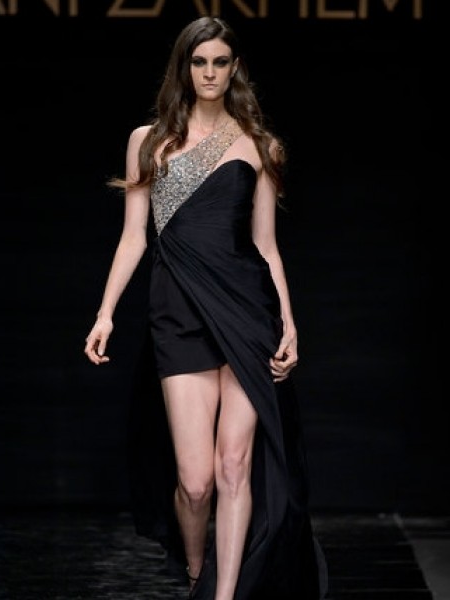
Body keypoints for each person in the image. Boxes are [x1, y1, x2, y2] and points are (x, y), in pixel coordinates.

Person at [84, 16, 327, 600]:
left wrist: (289, 323)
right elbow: (134, 237)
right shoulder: (149, 141)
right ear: (184, 67)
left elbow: (266, 246)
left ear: (235, 68)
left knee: (233, 466)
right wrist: (105, 312)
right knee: (195, 483)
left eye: (220, 62)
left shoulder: (258, 146)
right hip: (179, 316)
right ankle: (197, 573)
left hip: (248, 315)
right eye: (199, 62)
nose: (210, 73)